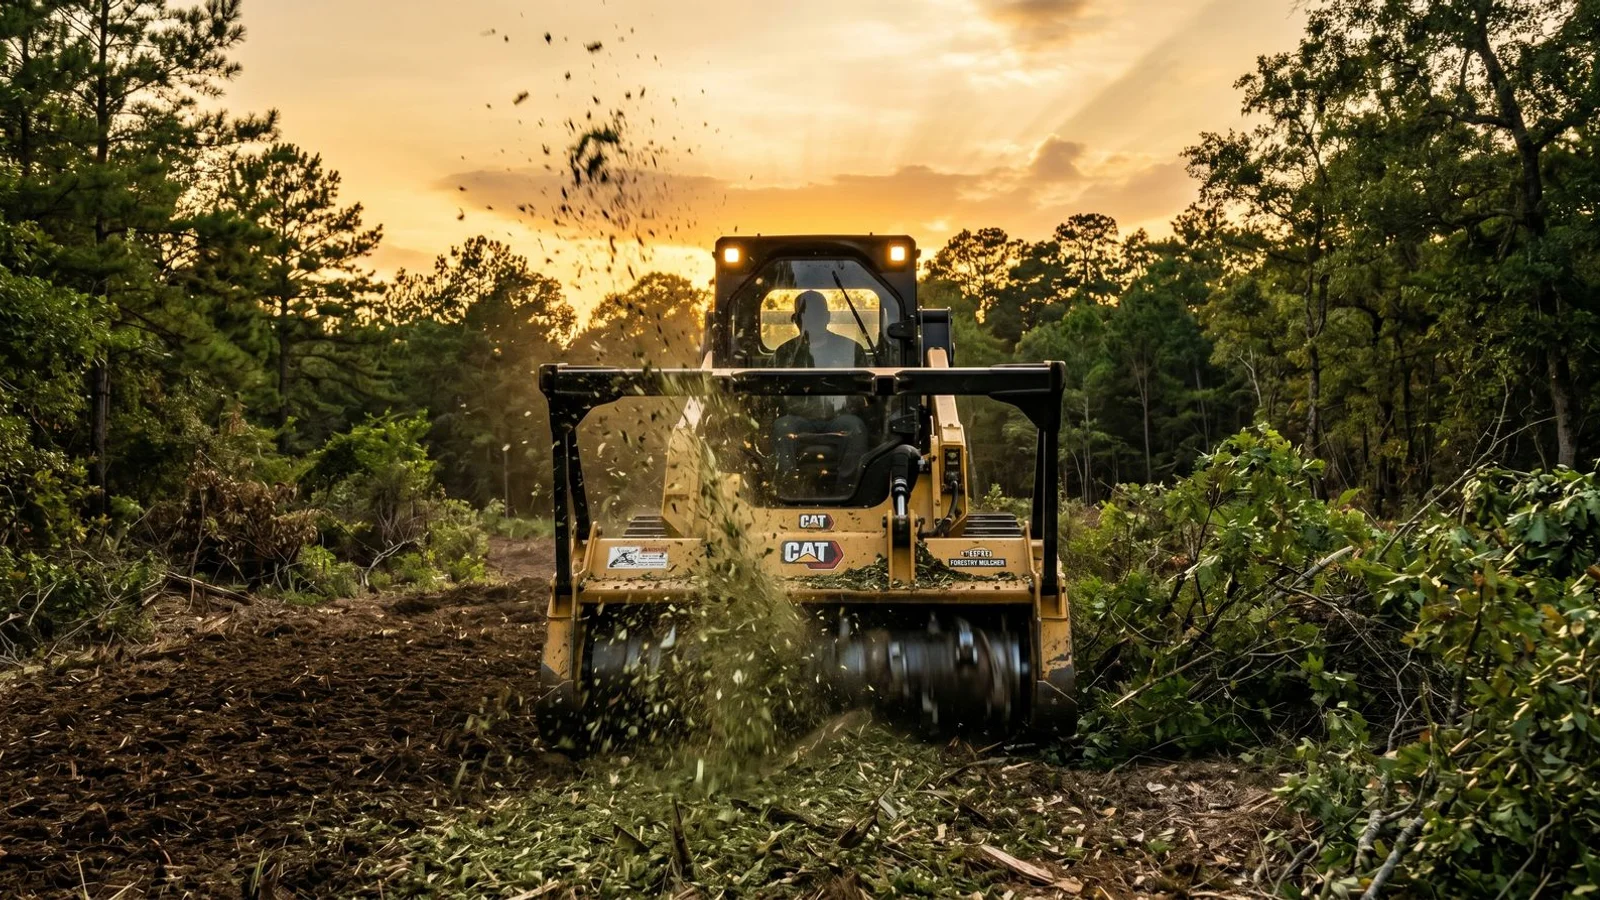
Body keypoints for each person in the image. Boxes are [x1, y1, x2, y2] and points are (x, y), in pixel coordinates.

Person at [770, 290, 872, 491]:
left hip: (840, 419)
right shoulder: (784, 353)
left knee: (856, 427)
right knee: (781, 427)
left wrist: (846, 404)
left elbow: (863, 391)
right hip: (797, 420)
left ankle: (848, 492)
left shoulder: (850, 349)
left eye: (815, 315)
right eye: (803, 316)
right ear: (796, 320)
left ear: (827, 317)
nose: (809, 321)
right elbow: (774, 393)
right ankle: (789, 492)